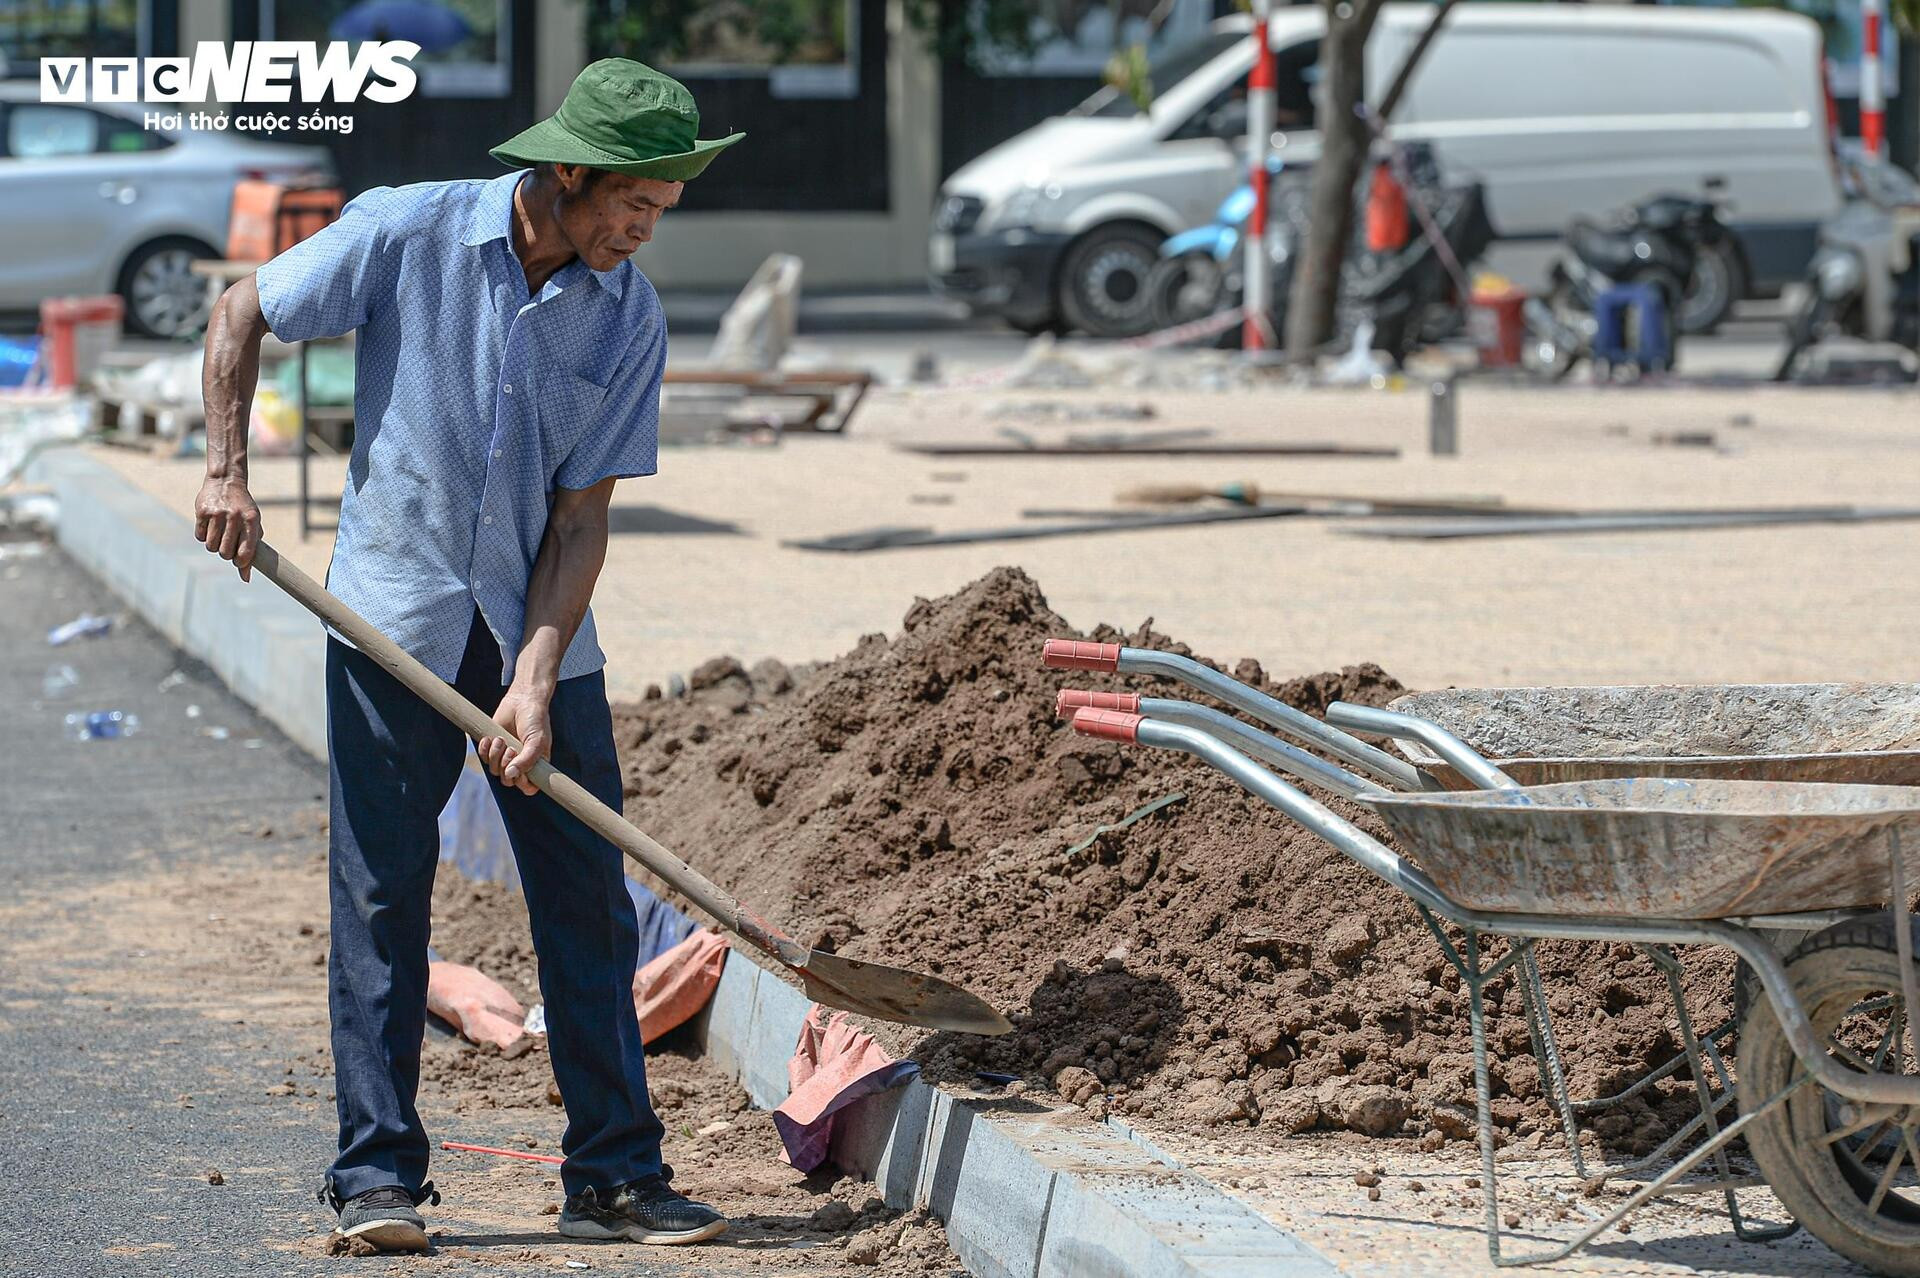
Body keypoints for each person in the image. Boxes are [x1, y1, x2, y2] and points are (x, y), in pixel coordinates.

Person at [192, 59, 743, 1254]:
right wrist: (226, 470)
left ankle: (612, 1176)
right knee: (383, 895)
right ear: (569, 169)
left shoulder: (628, 314)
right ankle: (376, 1179)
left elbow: (582, 520)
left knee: (588, 902)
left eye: (661, 212)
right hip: (397, 618)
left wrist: (537, 680)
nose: (645, 231)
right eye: (632, 204)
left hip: (541, 631)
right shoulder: (410, 231)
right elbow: (242, 310)